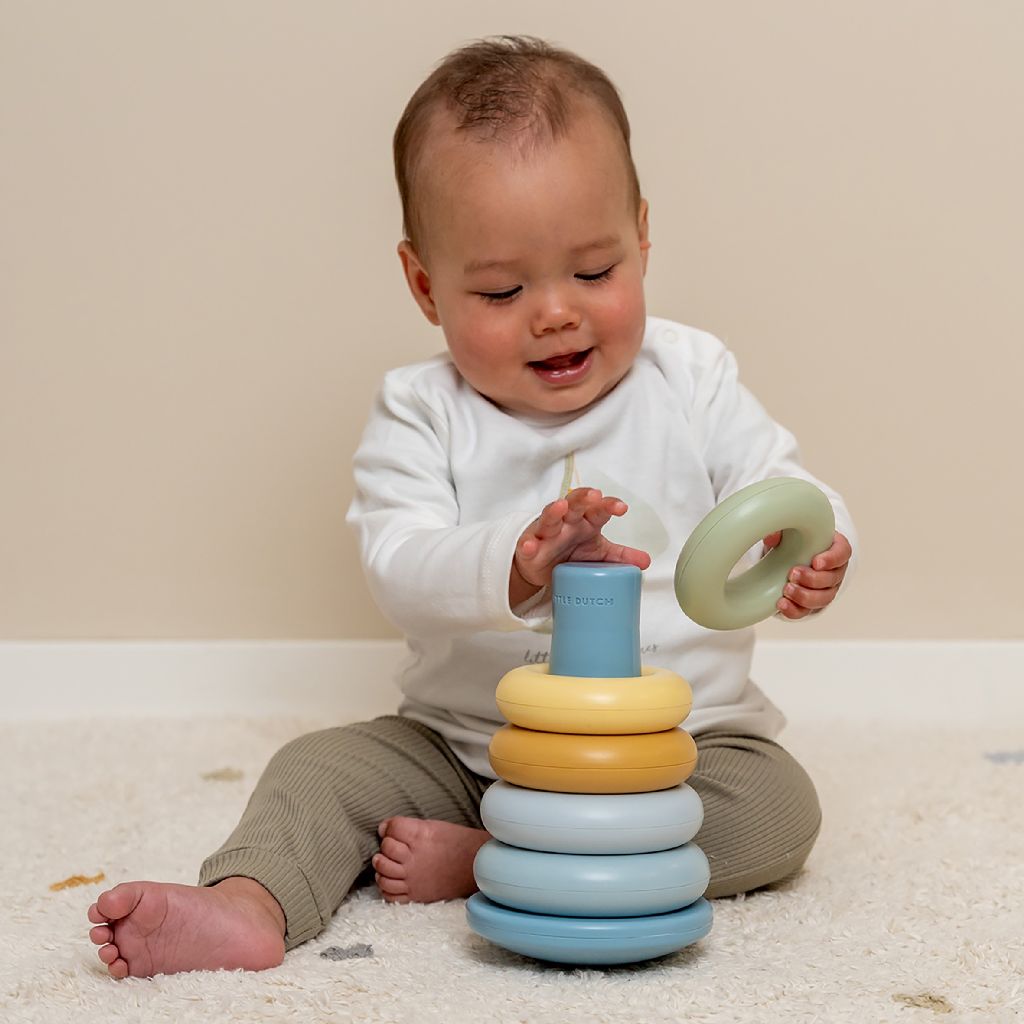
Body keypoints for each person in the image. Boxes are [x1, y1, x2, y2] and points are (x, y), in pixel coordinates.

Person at [86, 34, 856, 979]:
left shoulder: (691, 376)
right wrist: (514, 563)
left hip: (672, 754)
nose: (556, 312)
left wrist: (814, 538)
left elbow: (776, 484)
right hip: (468, 750)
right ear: (424, 285)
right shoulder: (422, 411)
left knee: (781, 807)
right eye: (501, 288)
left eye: (596, 271)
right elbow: (399, 565)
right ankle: (248, 903)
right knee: (318, 770)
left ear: (643, 237)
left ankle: (495, 861)